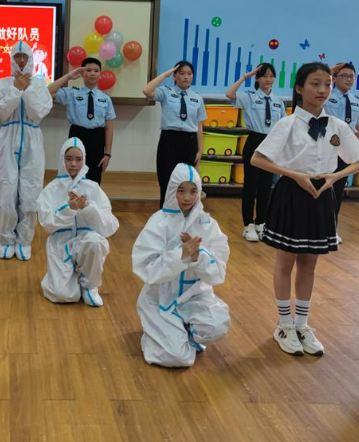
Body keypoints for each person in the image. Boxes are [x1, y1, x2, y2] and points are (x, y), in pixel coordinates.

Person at [251, 62, 359, 357]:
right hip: (292, 192)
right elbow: (258, 159)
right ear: (299, 88)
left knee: (310, 263)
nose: (323, 90)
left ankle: (302, 324)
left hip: (322, 193)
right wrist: (294, 175)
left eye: (327, 84)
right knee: (285, 261)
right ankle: (284, 325)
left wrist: (335, 177)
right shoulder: (287, 124)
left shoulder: (337, 126)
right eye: (315, 84)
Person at [132, 164, 230, 367]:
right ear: (172, 191)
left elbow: (217, 274)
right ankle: (154, 335)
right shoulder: (159, 222)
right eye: (181, 191)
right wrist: (180, 255)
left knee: (217, 325)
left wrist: (197, 256)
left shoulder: (208, 224)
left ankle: (181, 330)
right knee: (178, 358)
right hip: (160, 298)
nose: (187, 198)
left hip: (194, 295)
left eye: (193, 191)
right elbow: (146, 269)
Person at [0, 41, 53, 261]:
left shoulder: (40, 85)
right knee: (5, 191)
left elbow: (38, 112)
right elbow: (0, 110)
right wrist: (15, 89)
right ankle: (6, 239)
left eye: (25, 56)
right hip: (8, 137)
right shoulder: (3, 84)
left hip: (33, 140)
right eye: (17, 57)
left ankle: (24, 239)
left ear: (31, 59)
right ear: (12, 59)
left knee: (31, 192)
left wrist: (27, 90)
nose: (21, 61)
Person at [39, 138, 118, 306]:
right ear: (62, 159)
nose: (73, 164)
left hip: (85, 239)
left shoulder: (93, 188)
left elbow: (110, 225)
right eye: (68, 159)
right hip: (61, 244)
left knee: (95, 243)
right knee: (63, 295)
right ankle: (63, 279)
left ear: (84, 160)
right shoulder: (51, 189)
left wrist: (88, 208)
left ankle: (89, 285)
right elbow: (46, 223)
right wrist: (69, 209)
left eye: (78, 159)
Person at [226, 63, 285, 242]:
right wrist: (246, 76)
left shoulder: (278, 101)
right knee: (251, 186)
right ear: (257, 78)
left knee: (266, 187)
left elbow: (283, 126)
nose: (268, 79)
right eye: (264, 76)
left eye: (271, 76)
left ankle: (261, 223)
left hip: (271, 143)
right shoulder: (249, 96)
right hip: (254, 141)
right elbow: (230, 94)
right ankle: (248, 225)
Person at [143, 62, 206, 208]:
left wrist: (200, 151)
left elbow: (199, 127)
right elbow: (147, 90)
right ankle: (165, 213)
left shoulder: (197, 98)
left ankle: (183, 215)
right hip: (169, 140)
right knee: (166, 180)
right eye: (181, 73)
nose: (186, 77)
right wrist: (165, 74)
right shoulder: (166, 92)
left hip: (189, 142)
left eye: (189, 74)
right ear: (175, 75)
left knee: (186, 182)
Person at [48, 58, 115, 185]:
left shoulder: (105, 99)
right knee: (74, 172)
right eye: (88, 70)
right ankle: (73, 197)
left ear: (100, 74)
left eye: (96, 71)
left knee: (94, 177)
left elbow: (109, 128)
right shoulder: (72, 93)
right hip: (77, 134)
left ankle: (90, 198)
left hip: (97, 137)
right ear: (82, 73)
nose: (92, 73)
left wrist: (107, 154)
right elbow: (48, 92)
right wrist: (68, 76)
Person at [323, 62, 359, 215]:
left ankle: (332, 224)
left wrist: (355, 149)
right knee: (323, 185)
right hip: (327, 145)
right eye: (344, 76)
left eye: (351, 76)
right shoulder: (325, 96)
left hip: (346, 148)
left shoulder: (356, 100)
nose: (349, 79)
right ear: (334, 78)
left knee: (339, 187)